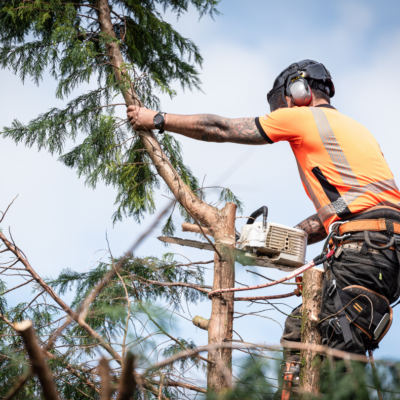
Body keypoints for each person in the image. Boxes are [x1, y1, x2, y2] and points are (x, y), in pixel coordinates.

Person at [127, 59, 400, 393]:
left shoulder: (303, 116)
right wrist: (282, 239)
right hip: (381, 251)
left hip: (365, 250)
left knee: (328, 343)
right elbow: (348, 206)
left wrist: (156, 119)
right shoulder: (355, 134)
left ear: (298, 91)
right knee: (307, 330)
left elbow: (220, 128)